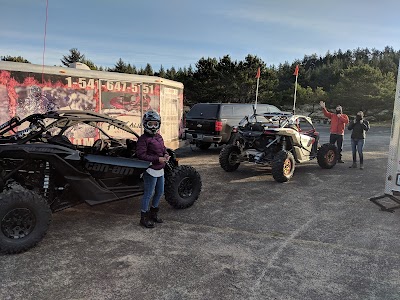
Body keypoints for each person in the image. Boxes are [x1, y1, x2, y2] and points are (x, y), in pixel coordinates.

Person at [136, 110, 170, 228]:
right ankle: (143, 217)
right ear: (145, 124)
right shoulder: (143, 139)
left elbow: (163, 148)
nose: (153, 127)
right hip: (150, 169)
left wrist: (166, 154)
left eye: (155, 124)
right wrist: (157, 159)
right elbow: (141, 155)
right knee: (148, 193)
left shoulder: (159, 137)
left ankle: (153, 214)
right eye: (150, 124)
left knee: (160, 191)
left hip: (160, 169)